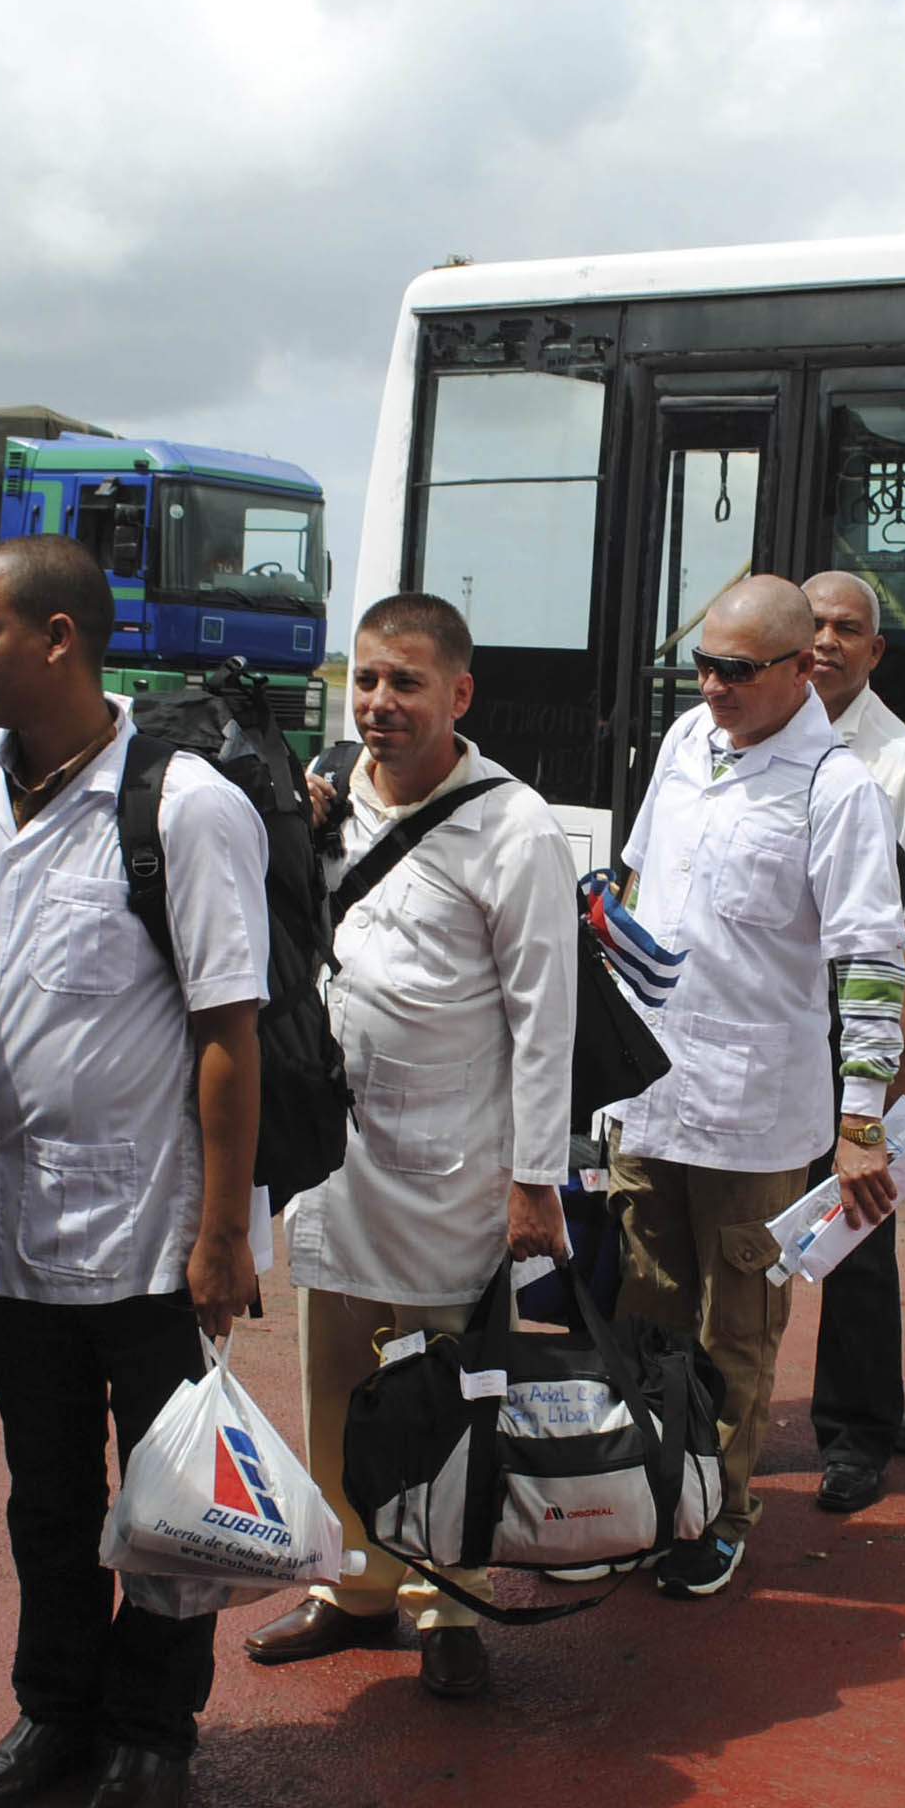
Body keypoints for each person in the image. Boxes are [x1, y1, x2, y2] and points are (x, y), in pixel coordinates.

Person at [0, 536, 268, 1808]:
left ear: (58, 636)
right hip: (15, 1229)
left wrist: (221, 1234)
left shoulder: (181, 806)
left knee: (167, 1504)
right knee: (49, 1495)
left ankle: (151, 1733)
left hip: (154, 1232)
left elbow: (228, 1031)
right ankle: (56, 1709)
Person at [250, 591, 577, 1693]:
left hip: (456, 1164)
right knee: (336, 1382)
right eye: (367, 680)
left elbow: (544, 1019)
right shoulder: (323, 795)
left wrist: (535, 1180)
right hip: (336, 1155)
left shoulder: (515, 825)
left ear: (459, 693)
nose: (380, 703)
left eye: (406, 682)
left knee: (449, 1390)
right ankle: (353, 1584)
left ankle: (449, 1600)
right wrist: (287, 821)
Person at [607, 575, 905, 1598]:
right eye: (702, 664)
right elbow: (638, 885)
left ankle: (718, 1515)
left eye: (735, 670)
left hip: (755, 1114)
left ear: (800, 668)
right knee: (645, 1315)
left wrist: (861, 1120)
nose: (712, 686)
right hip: (649, 1092)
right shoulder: (684, 744)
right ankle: (643, 1498)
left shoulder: (838, 787)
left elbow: (870, 961)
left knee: (734, 1330)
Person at [795, 569, 905, 1514]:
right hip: (763, 1029)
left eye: (847, 628)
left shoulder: (900, 765)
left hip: (852, 1035)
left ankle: (858, 1435)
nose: (826, 642)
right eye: (813, 624)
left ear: (875, 649)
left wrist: (903, 1063)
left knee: (855, 1237)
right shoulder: (737, 738)